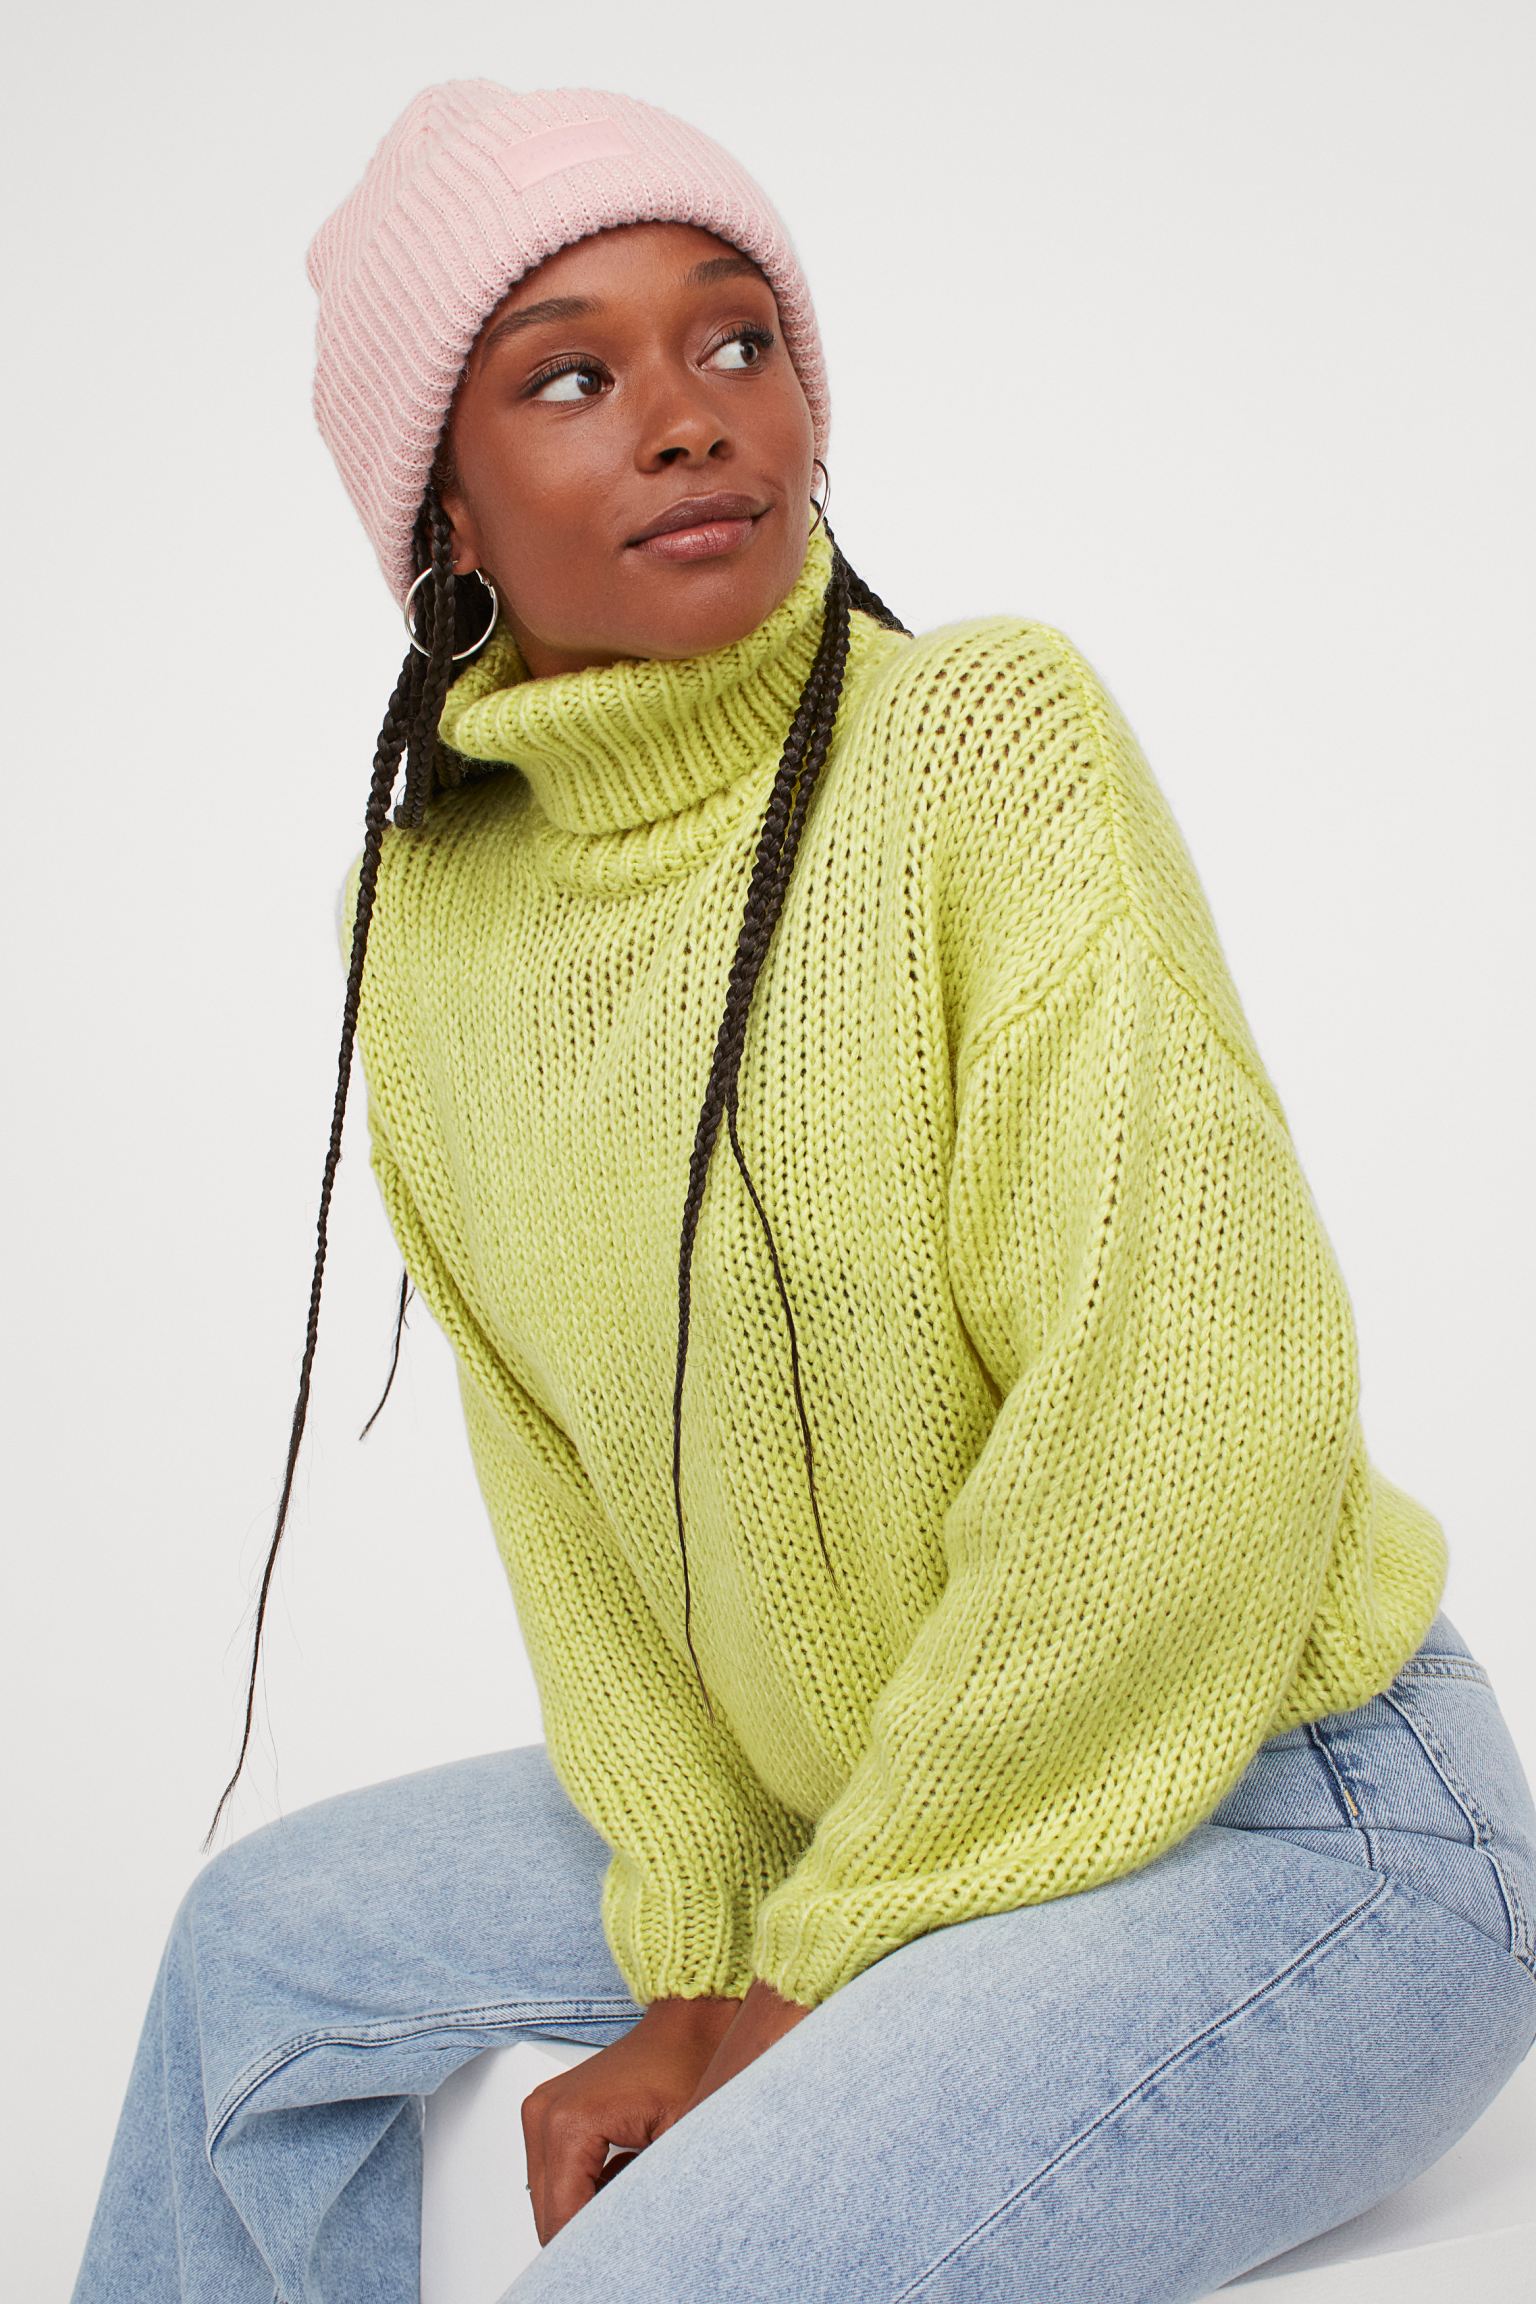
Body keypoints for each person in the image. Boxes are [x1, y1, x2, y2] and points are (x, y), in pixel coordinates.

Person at [70, 79, 1536, 2304]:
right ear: (442, 507)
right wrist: (693, 1943)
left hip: (1300, 1816)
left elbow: (1185, 1434)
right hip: (853, 1809)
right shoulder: (434, 921)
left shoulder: (983, 748)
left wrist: (802, 1977)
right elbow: (572, 1510)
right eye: (571, 377)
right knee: (256, 1954)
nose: (688, 416)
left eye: (736, 340)